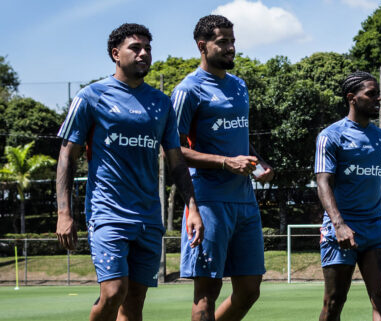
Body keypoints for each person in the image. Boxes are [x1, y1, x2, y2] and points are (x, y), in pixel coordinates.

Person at [55, 23, 204, 321]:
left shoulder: (162, 103)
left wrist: (192, 208)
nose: (144, 54)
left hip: (148, 216)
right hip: (108, 213)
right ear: (115, 54)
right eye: (135, 48)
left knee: (134, 304)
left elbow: (176, 162)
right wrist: (64, 213)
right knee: (113, 293)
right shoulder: (90, 96)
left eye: (147, 48)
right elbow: (66, 157)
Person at [171, 15, 274, 321]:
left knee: (250, 289)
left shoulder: (239, 86)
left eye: (233, 41)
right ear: (202, 46)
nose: (231, 48)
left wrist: (259, 164)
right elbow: (173, 151)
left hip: (245, 201)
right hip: (208, 202)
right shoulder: (187, 90)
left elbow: (240, 139)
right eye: (223, 42)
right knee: (206, 293)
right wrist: (225, 162)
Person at [315, 71, 381, 321]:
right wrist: (339, 225)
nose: (378, 99)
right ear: (352, 98)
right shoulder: (331, 136)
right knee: (334, 302)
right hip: (341, 231)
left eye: (379, 94)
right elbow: (323, 183)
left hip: (376, 229)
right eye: (372, 94)